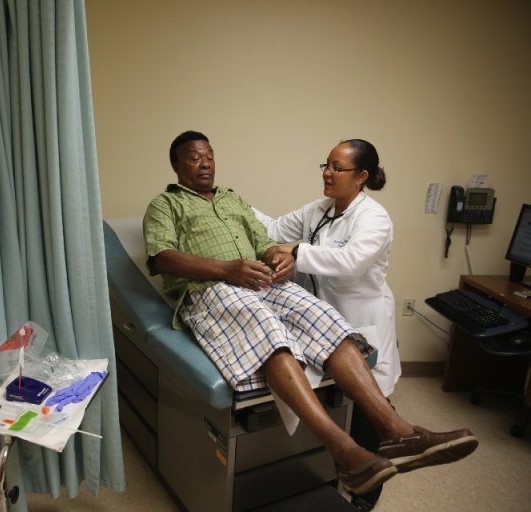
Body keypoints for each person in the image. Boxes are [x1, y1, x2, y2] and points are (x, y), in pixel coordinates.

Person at [143, 130, 478, 496]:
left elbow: (266, 240)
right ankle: (345, 451)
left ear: (361, 175)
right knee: (270, 333)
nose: (205, 163)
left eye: (209, 156)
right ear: (176, 165)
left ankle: (398, 432)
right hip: (215, 289)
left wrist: (277, 258)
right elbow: (162, 258)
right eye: (194, 157)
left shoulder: (233, 199)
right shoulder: (165, 205)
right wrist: (229, 268)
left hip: (272, 285)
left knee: (329, 322)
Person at [252, 139, 399, 511]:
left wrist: (297, 251)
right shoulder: (319, 209)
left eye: (337, 167)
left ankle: (365, 497)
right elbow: (273, 227)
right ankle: (339, 470)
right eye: (326, 165)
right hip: (324, 319)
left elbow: (349, 261)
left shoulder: (374, 218)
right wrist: (236, 206)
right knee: (338, 404)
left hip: (361, 320)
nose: (327, 174)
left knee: (369, 409)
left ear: (361, 176)